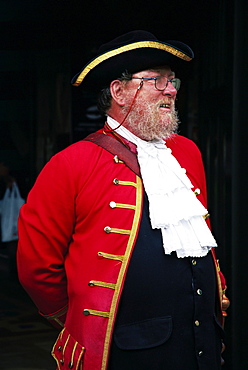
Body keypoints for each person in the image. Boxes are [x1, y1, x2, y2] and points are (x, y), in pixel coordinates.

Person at [17, 30, 229, 370]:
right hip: (125, 350)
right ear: (118, 90)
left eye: (172, 81)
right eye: (156, 81)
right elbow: (37, 267)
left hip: (199, 340)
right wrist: (85, 319)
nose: (171, 90)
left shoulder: (186, 152)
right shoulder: (71, 164)